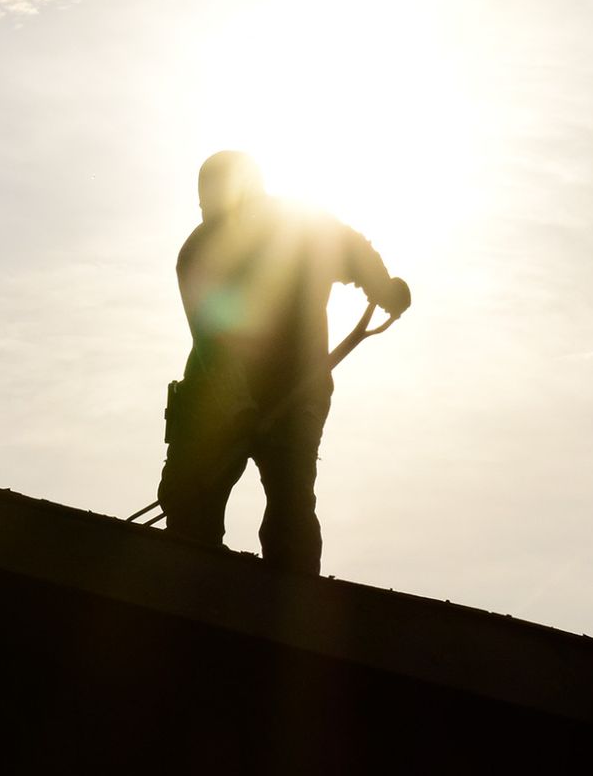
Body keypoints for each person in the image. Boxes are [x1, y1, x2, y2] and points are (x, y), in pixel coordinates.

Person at [156, 151, 411, 575]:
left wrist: (384, 289)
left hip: (294, 396)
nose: (205, 210)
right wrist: (239, 406)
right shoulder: (201, 254)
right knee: (190, 502)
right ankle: (190, 582)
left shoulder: (300, 231)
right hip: (219, 400)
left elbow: (354, 250)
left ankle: (288, 603)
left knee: (290, 506)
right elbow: (212, 341)